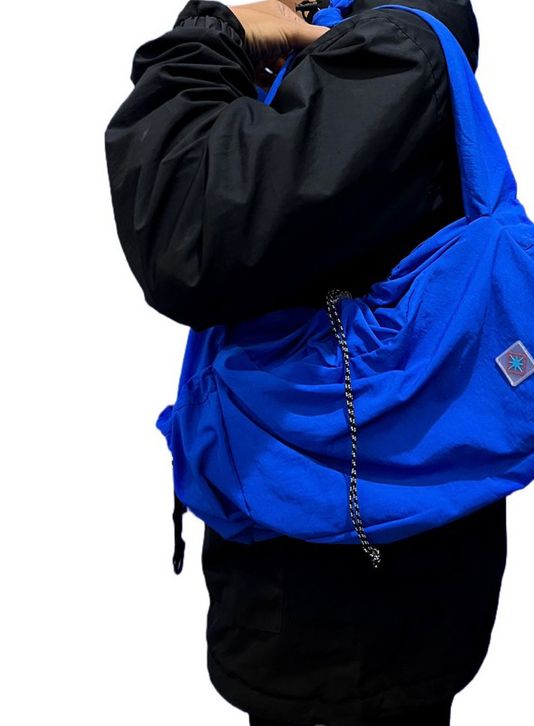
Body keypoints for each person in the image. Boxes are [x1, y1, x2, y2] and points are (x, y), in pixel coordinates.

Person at [104, 1, 507, 724]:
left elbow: (184, 230)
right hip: (354, 565)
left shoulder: (387, 49)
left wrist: (213, 34)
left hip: (342, 615)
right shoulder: (354, 32)